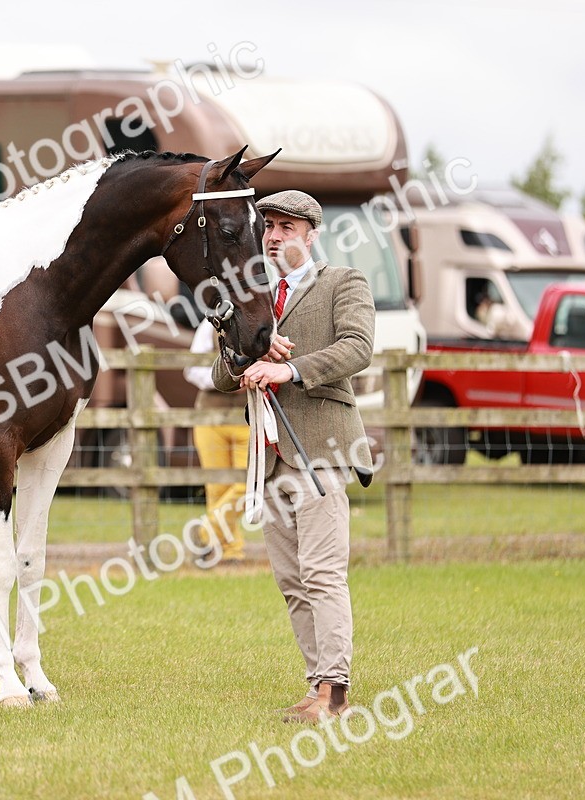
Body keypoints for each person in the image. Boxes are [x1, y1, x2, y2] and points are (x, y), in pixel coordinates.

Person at [211, 189, 375, 723]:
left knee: (323, 573)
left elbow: (357, 348)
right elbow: (221, 374)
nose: (276, 236)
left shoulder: (342, 283)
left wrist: (290, 368)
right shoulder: (252, 294)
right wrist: (245, 354)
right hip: (271, 457)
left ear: (311, 234)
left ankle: (337, 694)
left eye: (287, 227)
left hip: (321, 447)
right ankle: (316, 688)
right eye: (270, 226)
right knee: (291, 581)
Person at [184, 317, 249, 563]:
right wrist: (228, 381)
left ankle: (204, 532)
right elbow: (192, 368)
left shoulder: (261, 322)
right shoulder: (208, 326)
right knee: (217, 489)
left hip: (248, 417)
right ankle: (230, 551)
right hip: (210, 416)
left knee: (247, 486)